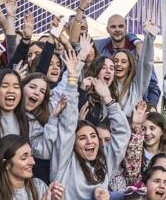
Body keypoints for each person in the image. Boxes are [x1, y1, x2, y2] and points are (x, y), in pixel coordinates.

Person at [50, 71, 131, 199]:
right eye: (82, 138)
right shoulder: (64, 161)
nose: (90, 141)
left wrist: (107, 99)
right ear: (73, 144)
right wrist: (72, 79)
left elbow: (123, 134)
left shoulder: (106, 161)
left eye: (93, 136)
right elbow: (68, 124)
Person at [94, 14, 161, 106]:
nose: (117, 29)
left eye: (120, 26)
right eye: (113, 27)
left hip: (136, 110)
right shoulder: (101, 49)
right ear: (107, 29)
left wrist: (151, 107)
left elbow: (152, 82)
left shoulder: (138, 51)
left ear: (126, 28)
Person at [0, 134, 65, 200]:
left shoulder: (39, 186)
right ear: (7, 164)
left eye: (31, 155)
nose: (32, 162)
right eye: (24, 158)